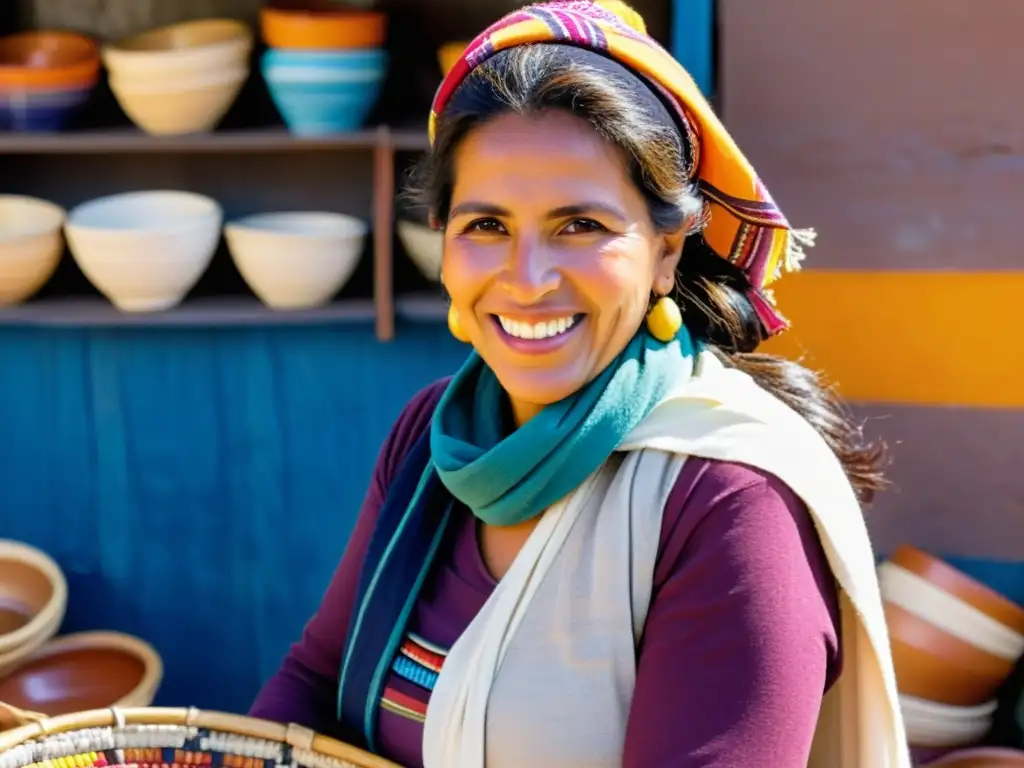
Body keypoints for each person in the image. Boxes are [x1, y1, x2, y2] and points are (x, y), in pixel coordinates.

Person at [250, 2, 910, 766]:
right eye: (486, 227)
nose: (526, 280)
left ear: (666, 252)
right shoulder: (433, 441)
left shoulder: (728, 501)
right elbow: (315, 681)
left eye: (581, 227)